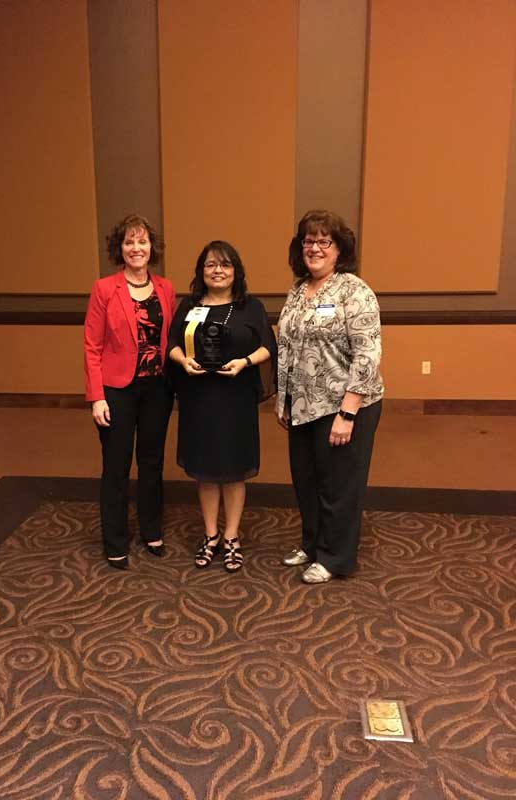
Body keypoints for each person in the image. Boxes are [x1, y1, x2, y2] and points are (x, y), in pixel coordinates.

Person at [276, 210, 384, 584]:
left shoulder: (355, 291)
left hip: (343, 404)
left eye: (325, 241)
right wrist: (284, 400)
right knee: (306, 481)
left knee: (339, 485)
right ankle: (312, 543)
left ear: (340, 250)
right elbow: (287, 349)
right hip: (302, 404)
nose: (315, 248)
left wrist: (348, 412)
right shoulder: (298, 289)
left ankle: (335, 557)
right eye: (309, 241)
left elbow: (368, 355)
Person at [168, 241, 276, 572]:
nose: (218, 270)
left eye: (225, 265)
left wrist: (244, 361)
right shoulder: (189, 306)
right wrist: (183, 360)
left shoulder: (250, 306)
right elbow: (171, 345)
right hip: (199, 398)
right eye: (211, 265)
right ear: (201, 271)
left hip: (235, 398)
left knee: (233, 467)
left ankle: (232, 536)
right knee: (205, 468)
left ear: (236, 271)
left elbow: (268, 346)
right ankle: (211, 534)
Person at [84, 214, 176, 570]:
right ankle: (115, 540)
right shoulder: (104, 289)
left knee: (152, 462)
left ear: (151, 247)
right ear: (119, 249)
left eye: (142, 242)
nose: (136, 248)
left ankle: (152, 530)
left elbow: (169, 341)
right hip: (116, 390)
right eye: (129, 242)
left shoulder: (166, 288)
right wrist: (96, 397)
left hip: (157, 389)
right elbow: (92, 346)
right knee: (117, 466)